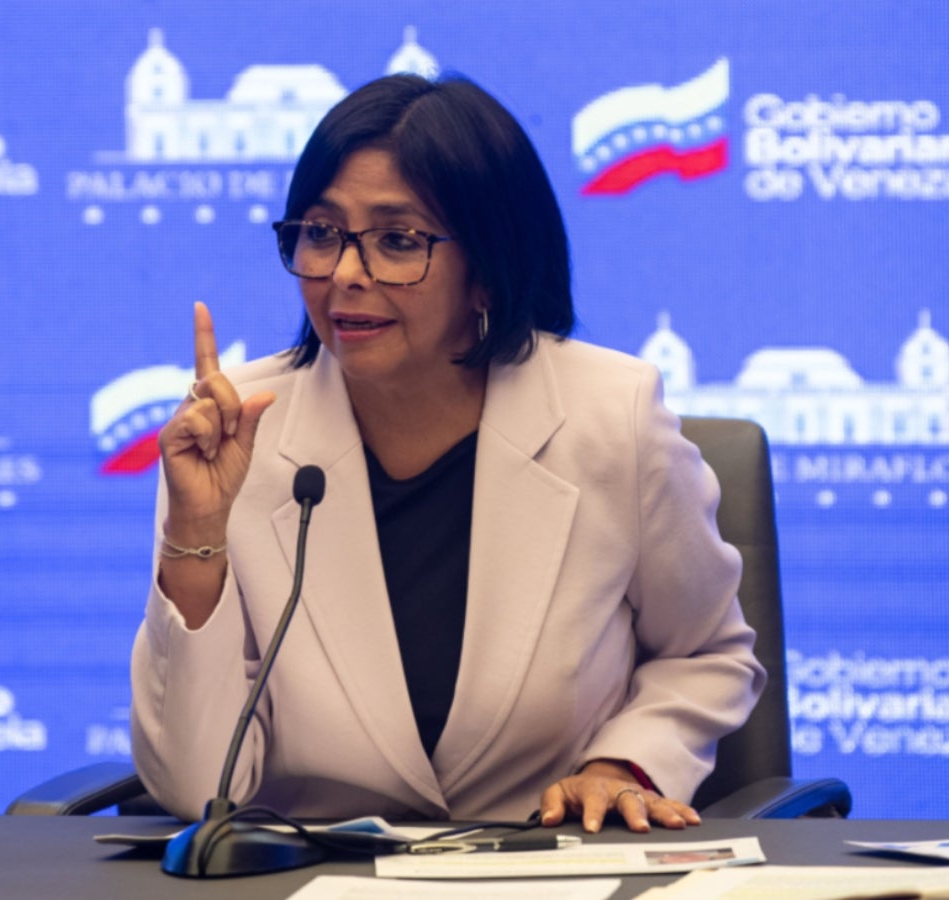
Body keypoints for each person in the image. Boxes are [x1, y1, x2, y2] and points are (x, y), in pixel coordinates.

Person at [130, 73, 766, 833]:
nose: (345, 275)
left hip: (551, 866)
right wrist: (194, 535)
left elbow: (706, 654)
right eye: (322, 233)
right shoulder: (235, 431)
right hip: (308, 872)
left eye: (398, 241)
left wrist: (622, 766)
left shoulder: (610, 417)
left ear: (487, 270)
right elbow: (199, 787)